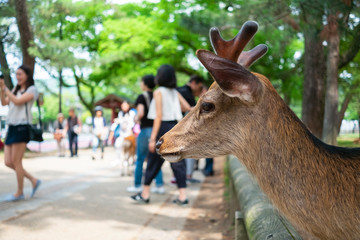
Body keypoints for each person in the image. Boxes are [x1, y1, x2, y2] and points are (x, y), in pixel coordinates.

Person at [131, 64, 191, 206]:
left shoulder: (158, 92)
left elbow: (158, 116)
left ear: (161, 76)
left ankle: (145, 194)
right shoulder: (174, 92)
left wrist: (153, 139)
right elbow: (186, 107)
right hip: (175, 127)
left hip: (162, 128)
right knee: (177, 162)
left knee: (153, 161)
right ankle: (183, 196)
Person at [0, 65, 41, 201]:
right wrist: (2, 89)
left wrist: (6, 89)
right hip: (11, 126)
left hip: (22, 127)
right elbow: (5, 103)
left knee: (16, 161)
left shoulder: (32, 90)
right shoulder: (15, 89)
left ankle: (20, 192)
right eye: (16, 74)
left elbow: (17, 101)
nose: (18, 77)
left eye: (20, 74)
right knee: (7, 162)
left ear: (27, 75)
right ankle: (33, 180)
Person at [127, 75, 165, 194]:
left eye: (141, 82)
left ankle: (138, 185)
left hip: (145, 131)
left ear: (145, 84)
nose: (140, 84)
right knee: (155, 159)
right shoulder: (157, 94)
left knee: (140, 159)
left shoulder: (141, 97)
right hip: (156, 129)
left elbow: (141, 113)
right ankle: (159, 185)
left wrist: (136, 119)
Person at [177, 75, 204, 183]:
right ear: (193, 83)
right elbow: (190, 110)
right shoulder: (185, 93)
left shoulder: (179, 90)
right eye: (199, 86)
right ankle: (186, 176)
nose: (199, 89)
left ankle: (183, 176)